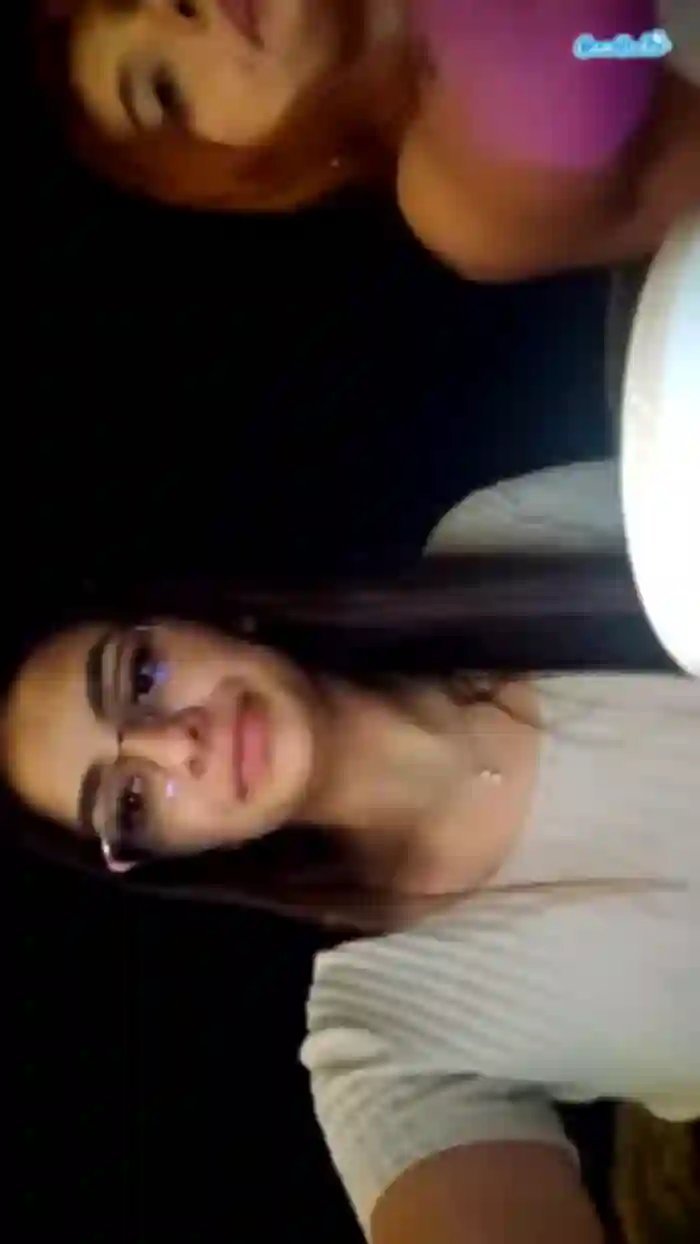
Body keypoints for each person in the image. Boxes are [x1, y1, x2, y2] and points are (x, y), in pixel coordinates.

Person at [3, 552, 699, 1244]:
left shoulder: (506, 546)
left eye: (141, 677)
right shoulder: (379, 1040)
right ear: (174, 852)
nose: (175, 744)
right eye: (130, 802)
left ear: (196, 619)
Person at [35, 0, 700, 281]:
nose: (173, 10)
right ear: (239, 166)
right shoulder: (449, 198)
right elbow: (574, 59)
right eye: (164, 89)